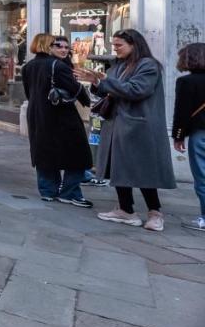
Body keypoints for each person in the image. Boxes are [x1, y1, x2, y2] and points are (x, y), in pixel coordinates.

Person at [93, 29, 176, 231]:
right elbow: (110, 89)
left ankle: (155, 213)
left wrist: (105, 81)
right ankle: (125, 209)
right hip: (116, 124)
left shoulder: (148, 65)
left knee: (143, 169)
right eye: (114, 45)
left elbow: (137, 90)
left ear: (134, 44)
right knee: (118, 168)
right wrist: (96, 83)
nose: (115, 49)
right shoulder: (117, 65)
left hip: (139, 126)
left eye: (119, 45)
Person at [20, 33, 93, 207]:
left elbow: (28, 92)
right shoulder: (57, 66)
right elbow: (76, 89)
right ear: (48, 46)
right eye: (57, 45)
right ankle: (70, 192)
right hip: (60, 114)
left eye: (66, 47)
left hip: (37, 113)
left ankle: (48, 191)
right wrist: (87, 99)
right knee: (78, 154)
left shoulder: (28, 66)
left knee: (44, 151)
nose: (62, 49)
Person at [171, 43, 205, 231]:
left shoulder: (186, 82)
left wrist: (178, 136)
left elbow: (182, 113)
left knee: (202, 177)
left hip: (200, 134)